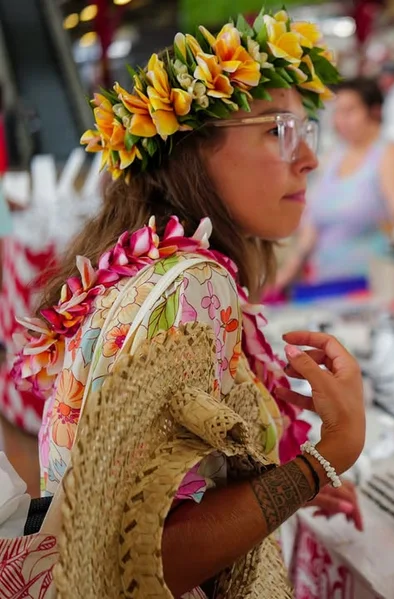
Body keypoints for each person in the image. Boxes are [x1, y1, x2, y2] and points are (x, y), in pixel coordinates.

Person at [12, 11, 365, 597]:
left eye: (309, 131)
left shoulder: (158, 266)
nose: (309, 158)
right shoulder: (190, 285)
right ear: (193, 152)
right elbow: (129, 566)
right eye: (278, 130)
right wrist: (327, 456)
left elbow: (164, 494)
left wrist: (281, 484)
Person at [274, 77, 394, 288]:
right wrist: (284, 277)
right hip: (326, 284)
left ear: (374, 111)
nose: (340, 120)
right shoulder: (335, 158)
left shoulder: (390, 155)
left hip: (372, 285)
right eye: (337, 112)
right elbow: (312, 228)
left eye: (349, 111)